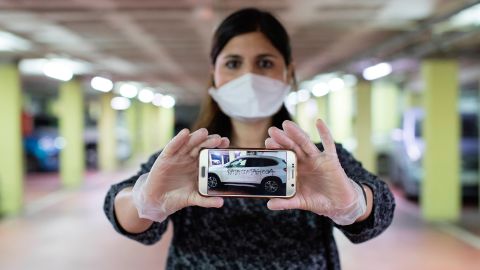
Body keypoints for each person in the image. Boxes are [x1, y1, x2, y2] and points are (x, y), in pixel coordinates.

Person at [104, 8, 395, 269]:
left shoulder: (318, 160)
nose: (248, 76)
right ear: (213, 74)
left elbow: (380, 210)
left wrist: (354, 202)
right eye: (232, 63)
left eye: (265, 63)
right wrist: (144, 201)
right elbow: (121, 208)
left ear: (288, 72)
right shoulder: (185, 159)